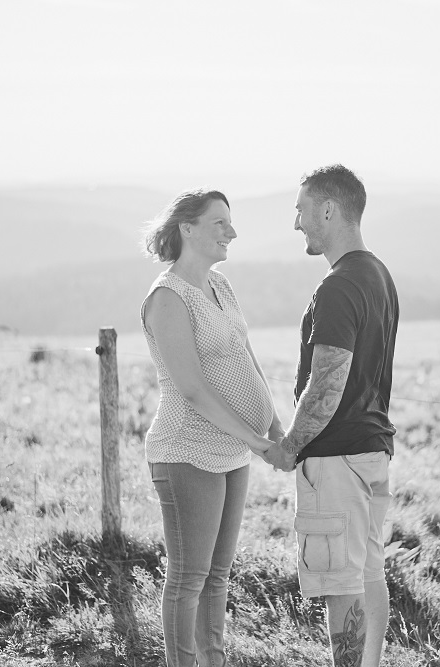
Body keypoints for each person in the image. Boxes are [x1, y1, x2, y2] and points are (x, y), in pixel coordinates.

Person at [263, 165, 399, 667]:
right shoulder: (378, 273)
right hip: (370, 450)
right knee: (367, 572)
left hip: (338, 458)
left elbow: (326, 386)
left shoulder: (339, 287)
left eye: (300, 210)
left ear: (328, 209)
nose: (296, 223)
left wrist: (289, 445)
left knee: (343, 581)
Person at [141, 188, 284, 667]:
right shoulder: (167, 297)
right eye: (220, 223)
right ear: (188, 229)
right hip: (186, 451)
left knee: (218, 575)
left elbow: (246, 359)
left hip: (233, 452)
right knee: (188, 578)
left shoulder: (220, 286)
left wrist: (276, 427)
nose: (232, 232)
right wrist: (259, 443)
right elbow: (193, 390)